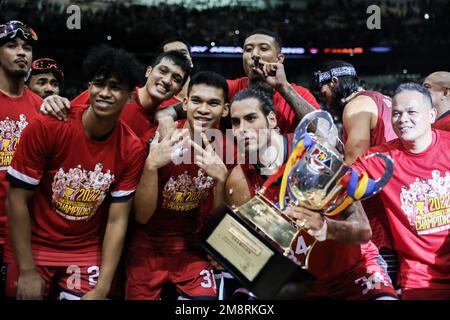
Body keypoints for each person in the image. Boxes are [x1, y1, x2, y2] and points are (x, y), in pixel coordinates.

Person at [224, 88, 397, 300]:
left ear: (271, 119)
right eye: (235, 122)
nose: (242, 129)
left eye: (251, 118)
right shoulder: (239, 180)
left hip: (355, 271)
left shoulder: (315, 153)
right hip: (301, 284)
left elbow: (363, 231)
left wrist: (326, 228)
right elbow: (255, 254)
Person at [4, 45, 147, 300]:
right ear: (88, 87)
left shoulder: (132, 149)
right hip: (33, 246)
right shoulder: (48, 126)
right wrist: (26, 270)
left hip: (83, 251)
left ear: (129, 97)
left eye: (115, 87)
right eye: (99, 83)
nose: (104, 93)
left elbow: (117, 220)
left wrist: (102, 288)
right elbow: (16, 198)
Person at [126, 71, 230, 300]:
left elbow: (218, 223)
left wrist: (221, 181)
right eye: (196, 101)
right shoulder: (156, 140)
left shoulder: (228, 147)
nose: (203, 109)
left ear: (225, 109)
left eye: (213, 103)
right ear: (185, 103)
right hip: (147, 247)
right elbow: (141, 217)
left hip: (191, 249)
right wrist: (151, 166)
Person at [352, 83, 450, 300]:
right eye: (396, 113)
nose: (402, 119)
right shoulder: (381, 159)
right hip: (419, 280)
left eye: (411, 112)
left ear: (432, 115)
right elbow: (342, 179)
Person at [314, 60, 398, 278]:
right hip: (397, 194)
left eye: (323, 90)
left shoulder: (356, 106)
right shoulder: (383, 100)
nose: (324, 97)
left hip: (378, 203)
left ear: (333, 82)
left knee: (382, 273)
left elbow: (354, 169)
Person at [155, 29, 320, 136]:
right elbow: (171, 112)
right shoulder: (229, 88)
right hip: (234, 172)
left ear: (279, 59)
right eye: (248, 50)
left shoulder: (299, 94)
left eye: (263, 48)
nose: (255, 55)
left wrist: (283, 87)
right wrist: (165, 119)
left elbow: (322, 132)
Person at [40, 50, 191, 138]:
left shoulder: (166, 113)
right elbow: (66, 115)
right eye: (163, 71)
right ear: (148, 71)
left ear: (178, 90)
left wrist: (170, 112)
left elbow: (202, 105)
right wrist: (53, 101)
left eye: (176, 79)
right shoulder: (112, 93)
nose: (166, 80)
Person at [0, 20, 42, 297]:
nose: (21, 52)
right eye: (12, 45)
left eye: (26, 47)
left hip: (23, 237)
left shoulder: (41, 108)